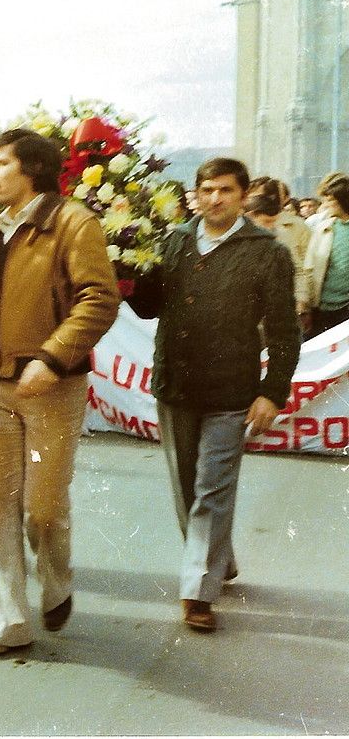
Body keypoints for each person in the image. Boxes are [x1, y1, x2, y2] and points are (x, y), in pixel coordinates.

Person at [129, 157, 300, 632]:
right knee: (186, 490)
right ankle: (215, 560)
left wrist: (272, 393)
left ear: (243, 196)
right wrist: (127, 268)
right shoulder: (174, 241)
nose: (214, 199)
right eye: (206, 190)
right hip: (176, 386)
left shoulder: (267, 251)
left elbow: (285, 331)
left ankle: (198, 592)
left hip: (231, 390)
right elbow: (148, 307)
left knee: (212, 489)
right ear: (195, 194)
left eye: (225, 190)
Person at [0, 129, 120, 656]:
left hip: (53, 386)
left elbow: (100, 299)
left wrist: (53, 358)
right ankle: (9, 621)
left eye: (0, 163)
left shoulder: (72, 223)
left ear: (30, 168)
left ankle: (56, 581)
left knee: (43, 507)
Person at [298, 173, 349, 335]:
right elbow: (309, 269)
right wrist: (305, 307)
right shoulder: (323, 229)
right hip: (322, 308)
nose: (325, 205)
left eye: (330, 200)